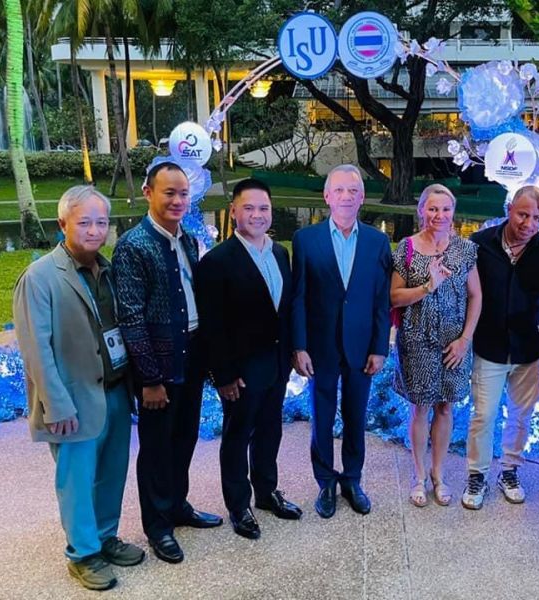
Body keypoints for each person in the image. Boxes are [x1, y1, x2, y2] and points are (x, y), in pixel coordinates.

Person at [13, 186, 144, 590]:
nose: (94, 230)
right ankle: (83, 554)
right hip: (72, 399)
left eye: (101, 222)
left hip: (115, 390)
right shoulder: (40, 278)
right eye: (84, 222)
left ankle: (105, 537)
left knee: (111, 473)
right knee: (77, 481)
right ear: (63, 224)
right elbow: (36, 349)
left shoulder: (109, 270)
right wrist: (56, 405)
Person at [113, 162, 222, 564]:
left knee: (185, 437)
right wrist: (150, 379)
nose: (177, 200)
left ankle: (177, 505)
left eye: (183, 194)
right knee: (157, 447)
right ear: (148, 193)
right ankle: (158, 525)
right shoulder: (133, 246)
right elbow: (131, 318)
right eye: (169, 193)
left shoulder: (187, 240)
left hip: (190, 355)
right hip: (157, 366)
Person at [195, 178, 303, 540]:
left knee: (271, 430)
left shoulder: (280, 253)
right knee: (237, 436)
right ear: (234, 212)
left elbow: (284, 310)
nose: (257, 215)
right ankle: (238, 505)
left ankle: (267, 492)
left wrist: (293, 352)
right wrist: (223, 374)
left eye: (264, 208)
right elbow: (212, 324)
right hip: (240, 371)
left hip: (276, 364)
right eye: (249, 208)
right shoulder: (217, 261)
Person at [292, 164, 392, 519]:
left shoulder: (378, 242)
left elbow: (381, 300)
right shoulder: (306, 240)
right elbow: (299, 297)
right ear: (327, 196)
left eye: (353, 190)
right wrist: (299, 345)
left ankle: (351, 479)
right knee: (321, 417)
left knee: (355, 415)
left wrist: (380, 347)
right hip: (320, 346)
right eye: (339, 190)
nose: (346, 196)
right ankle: (325, 482)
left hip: (362, 347)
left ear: (362, 197)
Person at [461, 185, 539, 510]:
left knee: (521, 415)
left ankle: (510, 470)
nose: (529, 223)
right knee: (483, 415)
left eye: (537, 218)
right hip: (489, 345)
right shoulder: (479, 244)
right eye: (523, 215)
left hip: (530, 347)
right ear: (509, 209)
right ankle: (477, 474)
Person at [390, 184, 481, 508]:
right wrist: (428, 286)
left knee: (445, 407)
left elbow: (476, 296)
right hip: (417, 340)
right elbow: (394, 296)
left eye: (445, 209)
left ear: (453, 212)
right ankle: (418, 476)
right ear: (421, 211)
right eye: (432, 209)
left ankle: (438, 474)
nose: (439, 215)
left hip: (454, 343)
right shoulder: (408, 248)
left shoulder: (465, 250)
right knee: (421, 407)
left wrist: (464, 340)